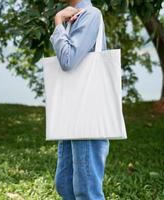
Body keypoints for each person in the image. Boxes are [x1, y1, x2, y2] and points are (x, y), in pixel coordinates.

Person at [49, 0, 110, 199]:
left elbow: (68, 60)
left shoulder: (90, 15)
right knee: (65, 184)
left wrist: (58, 22)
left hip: (88, 112)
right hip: (73, 112)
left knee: (86, 190)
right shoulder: (73, 17)